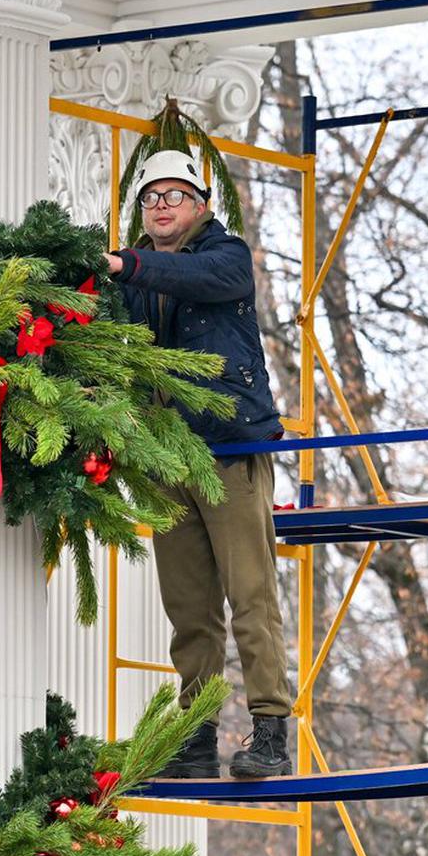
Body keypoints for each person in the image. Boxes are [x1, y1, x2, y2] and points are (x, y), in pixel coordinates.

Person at [104, 149, 293, 779]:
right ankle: (195, 735)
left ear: (201, 206)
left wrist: (124, 265)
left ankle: (270, 732)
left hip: (229, 454)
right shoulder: (135, 275)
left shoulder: (227, 256)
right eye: (150, 197)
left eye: (173, 195)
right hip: (167, 457)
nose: (160, 205)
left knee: (251, 598)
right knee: (188, 609)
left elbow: (195, 279)